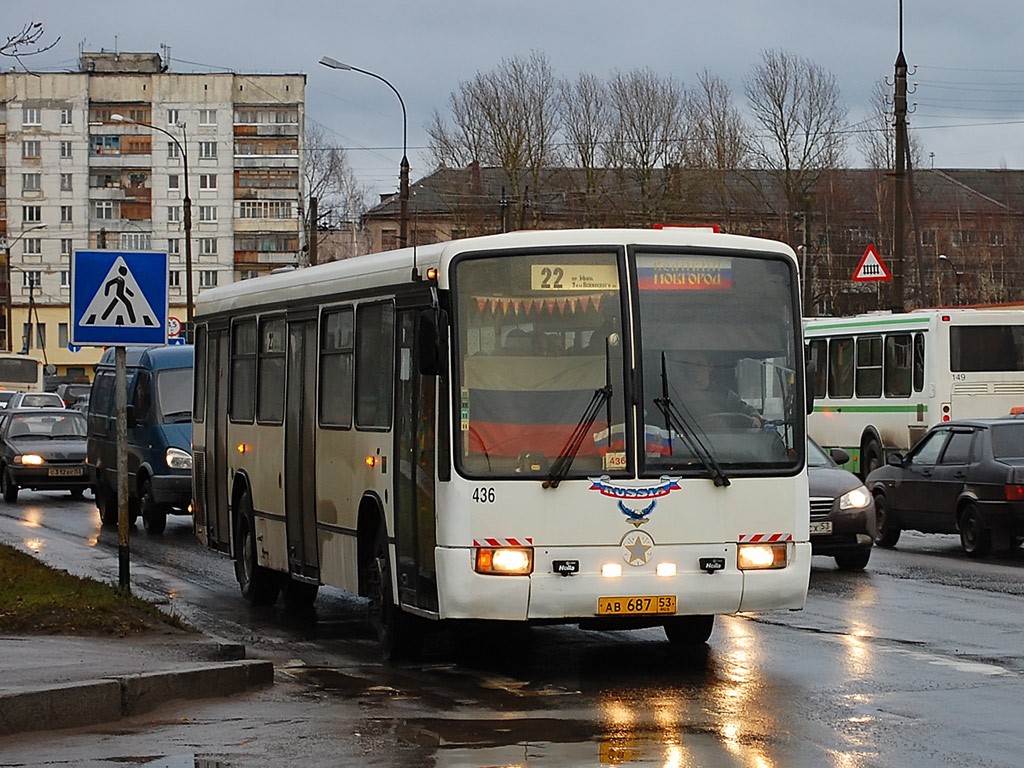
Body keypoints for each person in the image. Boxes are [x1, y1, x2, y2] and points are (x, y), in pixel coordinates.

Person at [678, 352, 762, 428]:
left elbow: (748, 410)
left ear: (710, 367)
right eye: (690, 365)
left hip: (724, 442)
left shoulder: (726, 395)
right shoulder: (678, 398)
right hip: (690, 443)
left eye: (699, 364)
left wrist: (755, 418)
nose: (695, 369)